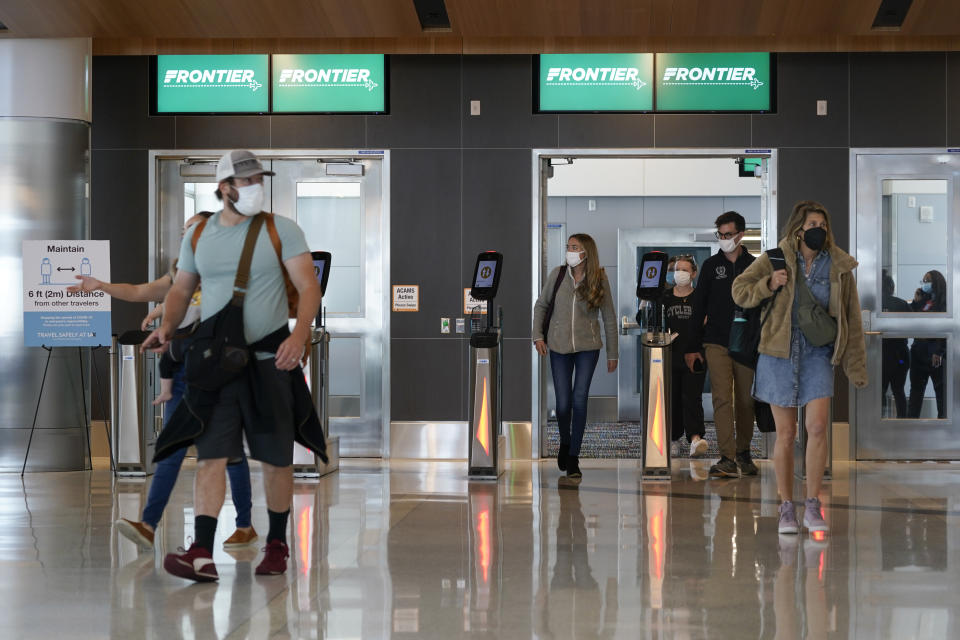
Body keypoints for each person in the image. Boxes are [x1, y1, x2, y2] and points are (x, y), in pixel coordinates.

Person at [143, 149, 323, 582]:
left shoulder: (282, 230)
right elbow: (182, 290)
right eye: (247, 181)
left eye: (260, 178)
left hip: (270, 360)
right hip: (219, 365)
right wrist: (166, 326)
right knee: (211, 457)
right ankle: (201, 552)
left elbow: (308, 286)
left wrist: (299, 336)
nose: (256, 186)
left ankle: (276, 544)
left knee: (275, 459)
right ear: (224, 188)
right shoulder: (199, 235)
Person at [68, 213, 258, 551]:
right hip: (183, 373)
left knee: (228, 454)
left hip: (219, 376)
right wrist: (102, 286)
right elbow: (141, 291)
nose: (185, 235)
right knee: (171, 448)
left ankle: (244, 524)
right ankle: (148, 525)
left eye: (193, 229)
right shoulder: (178, 274)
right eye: (183, 230)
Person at [732, 200, 867, 536]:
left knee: (818, 427)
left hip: (818, 354)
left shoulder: (838, 266)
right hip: (778, 353)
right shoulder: (775, 258)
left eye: (822, 223)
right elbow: (740, 292)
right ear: (798, 228)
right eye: (811, 224)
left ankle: (812, 504)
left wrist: (855, 364)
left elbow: (851, 316)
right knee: (787, 434)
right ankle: (786, 507)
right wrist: (770, 284)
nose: (816, 229)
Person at [533, 233, 618, 480]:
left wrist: (612, 353)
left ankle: (574, 457)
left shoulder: (599, 279)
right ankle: (565, 442)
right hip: (558, 347)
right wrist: (538, 335)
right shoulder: (558, 275)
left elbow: (609, 318)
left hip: (587, 348)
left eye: (575, 247)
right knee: (562, 404)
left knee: (579, 400)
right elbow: (541, 305)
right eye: (568, 246)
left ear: (586, 252)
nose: (569, 250)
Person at [685, 211, 757, 478]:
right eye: (721, 235)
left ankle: (744, 452)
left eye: (728, 234)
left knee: (746, 401)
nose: (724, 239)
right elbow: (698, 306)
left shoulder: (754, 266)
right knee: (722, 399)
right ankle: (727, 457)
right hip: (715, 341)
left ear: (741, 234)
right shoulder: (711, 266)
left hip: (747, 343)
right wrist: (693, 347)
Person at [657, 255, 708, 457]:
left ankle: (695, 438)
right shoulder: (665, 297)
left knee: (692, 397)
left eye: (685, 270)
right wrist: (644, 303)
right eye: (677, 269)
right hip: (669, 355)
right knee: (672, 398)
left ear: (693, 273)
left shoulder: (700, 298)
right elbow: (645, 319)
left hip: (695, 355)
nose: (680, 274)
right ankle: (673, 438)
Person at [908, 270, 947, 418]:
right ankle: (911, 423)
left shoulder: (944, 302)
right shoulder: (924, 301)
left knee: (941, 391)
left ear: (936, 282)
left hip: (935, 353)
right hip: (918, 351)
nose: (925, 284)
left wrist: (939, 351)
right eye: (923, 281)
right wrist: (915, 302)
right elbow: (911, 321)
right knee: (916, 391)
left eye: (928, 281)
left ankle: (943, 423)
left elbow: (944, 328)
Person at [881, 270, 910, 418]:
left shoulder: (874, 304)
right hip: (900, 355)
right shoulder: (902, 304)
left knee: (880, 391)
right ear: (891, 287)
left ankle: (880, 420)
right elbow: (911, 327)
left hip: (880, 355)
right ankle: (902, 420)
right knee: (899, 391)